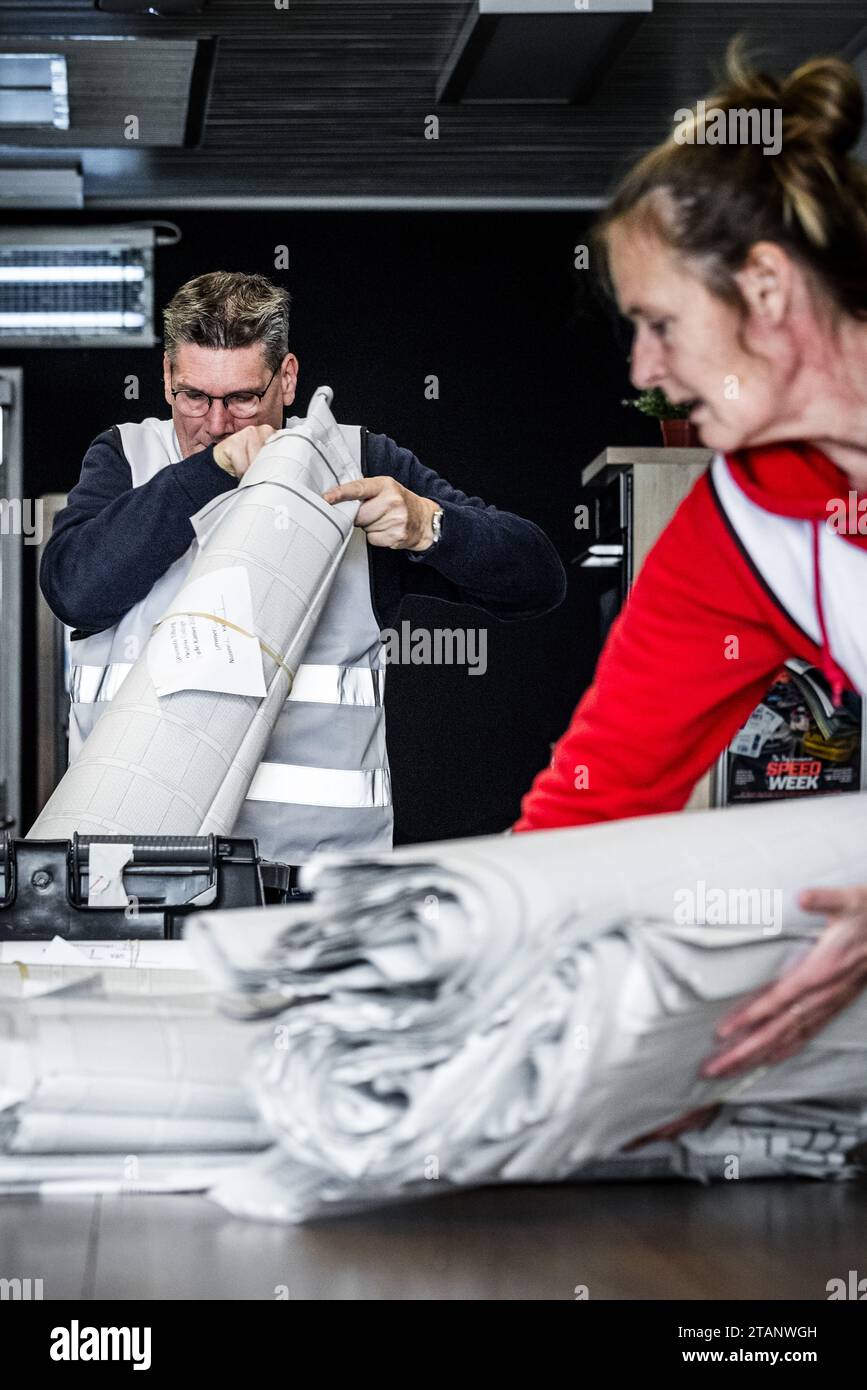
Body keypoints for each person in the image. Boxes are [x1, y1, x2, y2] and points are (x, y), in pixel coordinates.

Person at [515, 39, 867, 1092]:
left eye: (661, 324)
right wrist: (474, 946)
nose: (643, 370)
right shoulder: (745, 528)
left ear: (765, 287)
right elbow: (595, 797)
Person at [40, 271, 566, 870]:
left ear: (287, 378)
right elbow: (74, 590)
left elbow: (538, 579)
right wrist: (209, 471)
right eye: (193, 396)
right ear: (165, 377)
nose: (215, 423)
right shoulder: (127, 458)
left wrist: (429, 525)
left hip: (313, 882)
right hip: (137, 872)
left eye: (242, 399)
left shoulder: (353, 462)